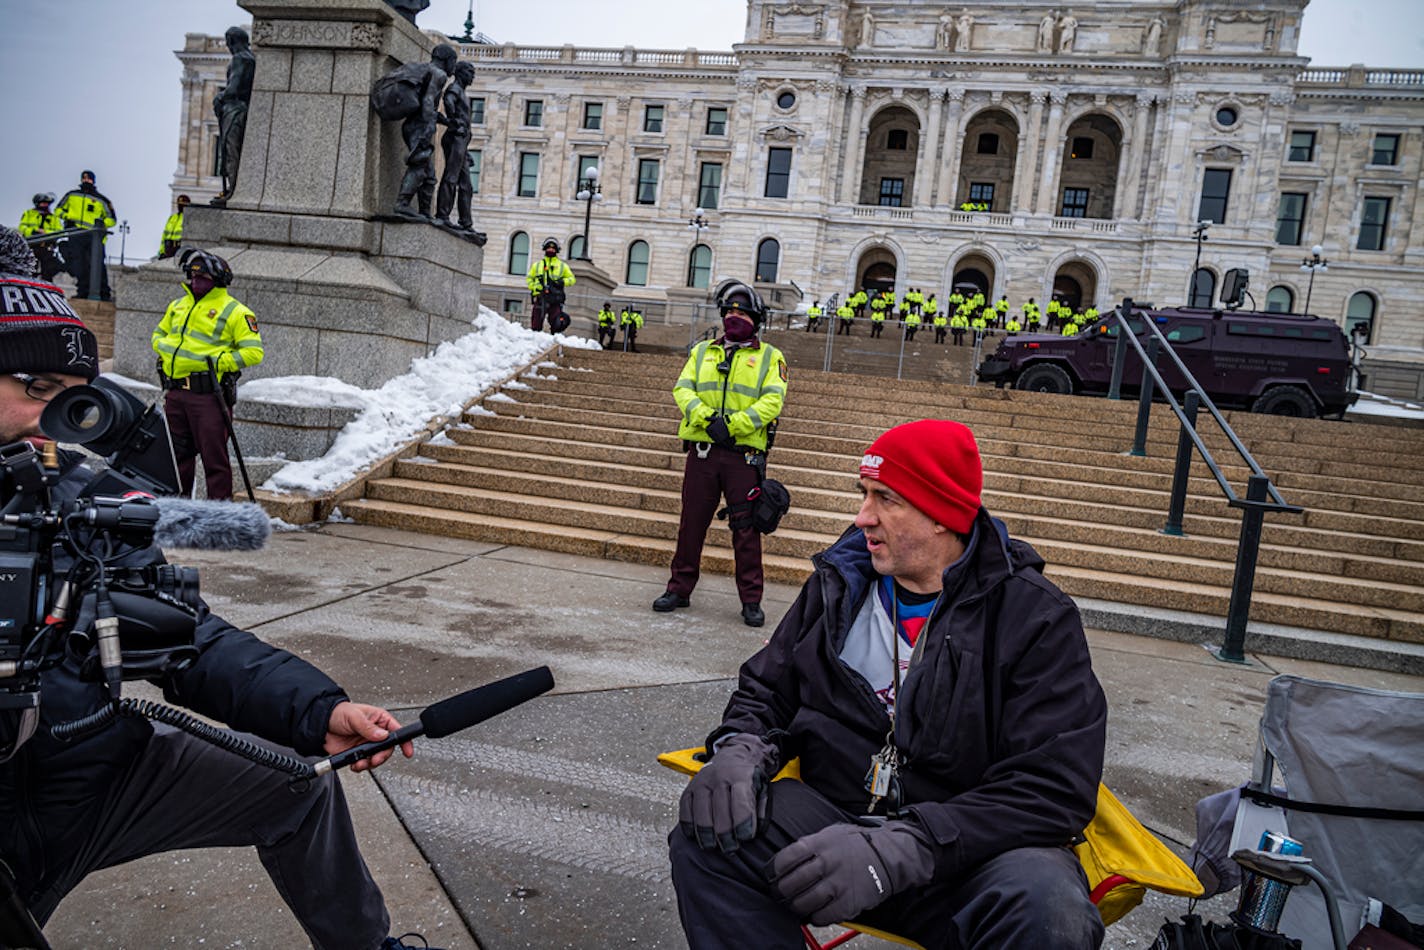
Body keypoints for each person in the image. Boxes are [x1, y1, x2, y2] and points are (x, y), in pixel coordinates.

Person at [0, 228, 433, 950]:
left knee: (298, 786)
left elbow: (184, 634)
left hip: (92, 773)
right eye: (36, 391)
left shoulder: (76, 493)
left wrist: (317, 709)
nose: (56, 423)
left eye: (75, 399)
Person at [668, 418, 1107, 950]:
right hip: (835, 825)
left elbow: (1053, 789)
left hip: (968, 857)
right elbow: (766, 690)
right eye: (864, 494)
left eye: (886, 499)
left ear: (943, 515)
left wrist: (908, 845)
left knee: (1048, 909)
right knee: (711, 836)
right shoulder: (839, 582)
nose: (862, 517)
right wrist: (739, 751)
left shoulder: (1034, 616)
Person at [653, 281, 787, 628]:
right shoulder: (702, 352)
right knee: (691, 524)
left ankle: (751, 600)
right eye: (729, 312)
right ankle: (679, 589)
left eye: (741, 312)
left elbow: (773, 401)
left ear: (756, 319)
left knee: (746, 531)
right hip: (703, 452)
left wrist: (734, 426)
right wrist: (707, 419)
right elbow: (682, 389)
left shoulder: (771, 358)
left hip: (742, 456)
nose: (734, 317)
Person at [151, 248, 264, 501]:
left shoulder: (236, 311)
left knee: (215, 460)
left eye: (202, 278)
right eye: (192, 276)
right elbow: (158, 335)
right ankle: (176, 509)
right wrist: (163, 348)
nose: (195, 282)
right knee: (176, 457)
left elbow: (253, 353)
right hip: (176, 392)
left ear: (218, 280)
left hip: (209, 397)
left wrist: (217, 362)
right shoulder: (177, 305)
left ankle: (218, 515)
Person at [211, 27, 256, 207]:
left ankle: (232, 191)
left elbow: (233, 88)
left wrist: (219, 97)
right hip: (244, 108)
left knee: (230, 151)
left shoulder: (240, 59)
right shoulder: (253, 58)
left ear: (231, 41)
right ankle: (234, 189)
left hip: (234, 108)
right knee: (236, 150)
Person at [55, 170, 117, 300]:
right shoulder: (72, 195)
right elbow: (58, 210)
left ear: (93, 181)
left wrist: (99, 224)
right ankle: (82, 291)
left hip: (93, 237)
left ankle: (102, 293)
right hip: (76, 233)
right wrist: (67, 217)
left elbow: (112, 220)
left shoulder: (102, 200)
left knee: (95, 265)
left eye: (88, 179)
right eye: (84, 179)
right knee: (79, 265)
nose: (85, 181)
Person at [434, 61, 477, 232]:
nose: (472, 76)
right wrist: (454, 121)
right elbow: (449, 102)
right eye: (470, 72)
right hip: (455, 137)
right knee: (451, 177)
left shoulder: (462, 92)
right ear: (460, 73)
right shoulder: (454, 89)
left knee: (466, 185)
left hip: (462, 140)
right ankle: (442, 215)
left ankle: (466, 222)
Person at [526, 237, 575, 333]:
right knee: (536, 324)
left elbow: (572, 279)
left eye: (553, 249)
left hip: (555, 299)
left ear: (556, 250)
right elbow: (529, 279)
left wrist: (562, 282)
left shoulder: (562, 266)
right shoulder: (537, 265)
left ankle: (555, 340)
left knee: (557, 324)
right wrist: (536, 287)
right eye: (548, 248)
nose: (551, 250)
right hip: (541, 297)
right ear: (545, 249)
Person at [17, 193, 65, 281]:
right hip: (32, 246)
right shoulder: (29, 213)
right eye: (43, 203)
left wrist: (46, 233)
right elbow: (22, 227)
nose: (45, 205)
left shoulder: (54, 217)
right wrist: (34, 231)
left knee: (48, 270)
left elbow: (59, 232)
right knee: (30, 269)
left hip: (47, 246)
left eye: (47, 203)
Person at [159, 194, 191, 259]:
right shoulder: (172, 217)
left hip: (179, 248)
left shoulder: (188, 218)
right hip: (168, 248)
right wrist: (161, 251)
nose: (180, 206)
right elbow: (164, 236)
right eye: (179, 204)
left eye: (182, 205)